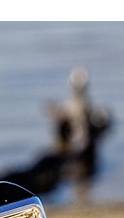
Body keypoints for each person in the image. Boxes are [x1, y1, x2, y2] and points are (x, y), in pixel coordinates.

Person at [47, 67, 113, 200]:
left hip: (83, 158)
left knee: (81, 178)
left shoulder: (85, 109)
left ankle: (82, 194)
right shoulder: (69, 109)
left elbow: (102, 128)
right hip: (72, 158)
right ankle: (81, 194)